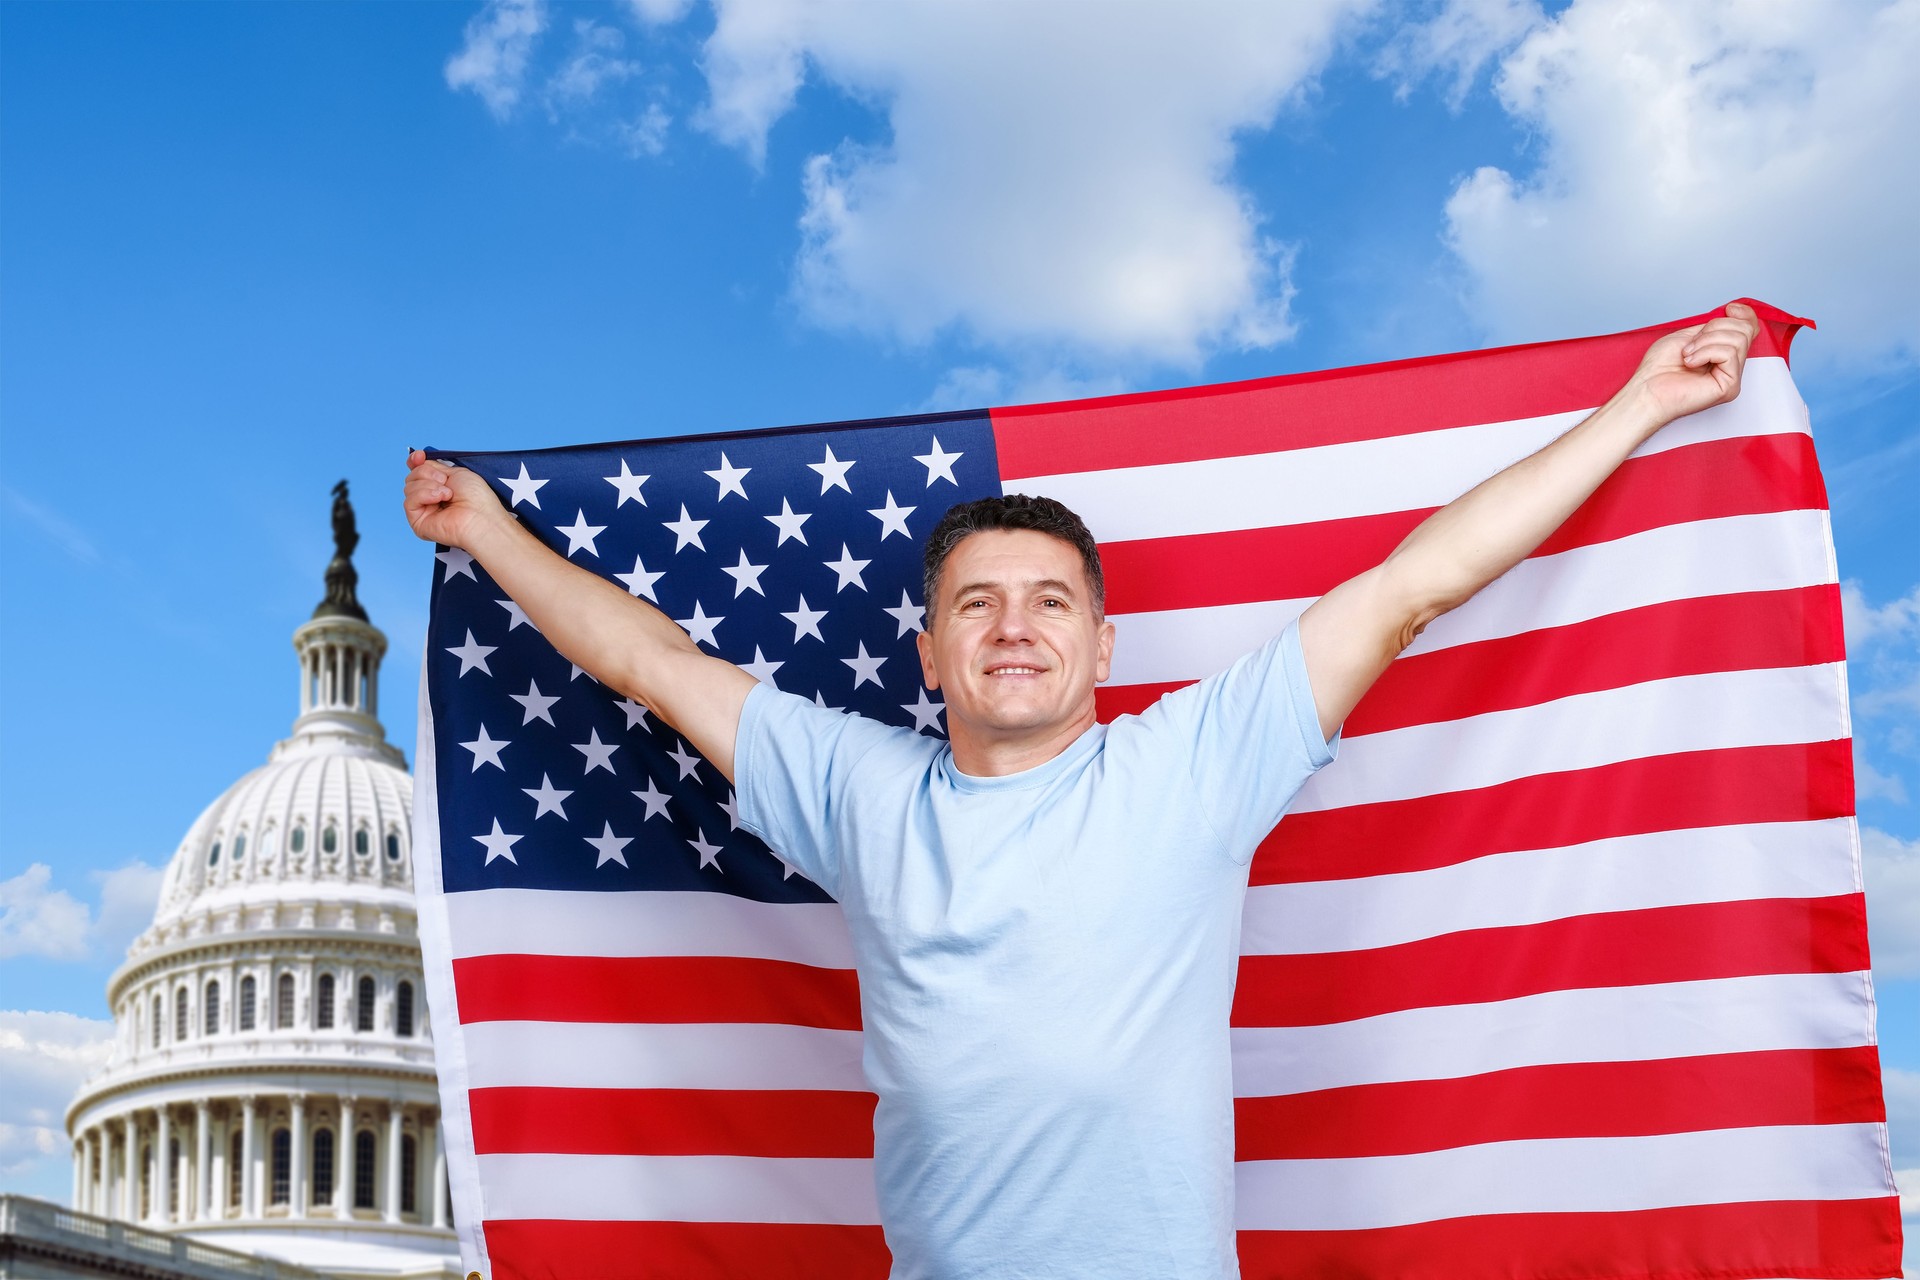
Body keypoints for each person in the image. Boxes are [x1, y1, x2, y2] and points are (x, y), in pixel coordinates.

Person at [404, 303, 1760, 1279]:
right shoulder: (860, 787)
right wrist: (486, 529)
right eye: (977, 605)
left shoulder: (1193, 762)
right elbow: (648, 659)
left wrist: (1643, 404)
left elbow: (1418, 582)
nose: (1013, 627)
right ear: (929, 653)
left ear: (1102, 648)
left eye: (1050, 603)